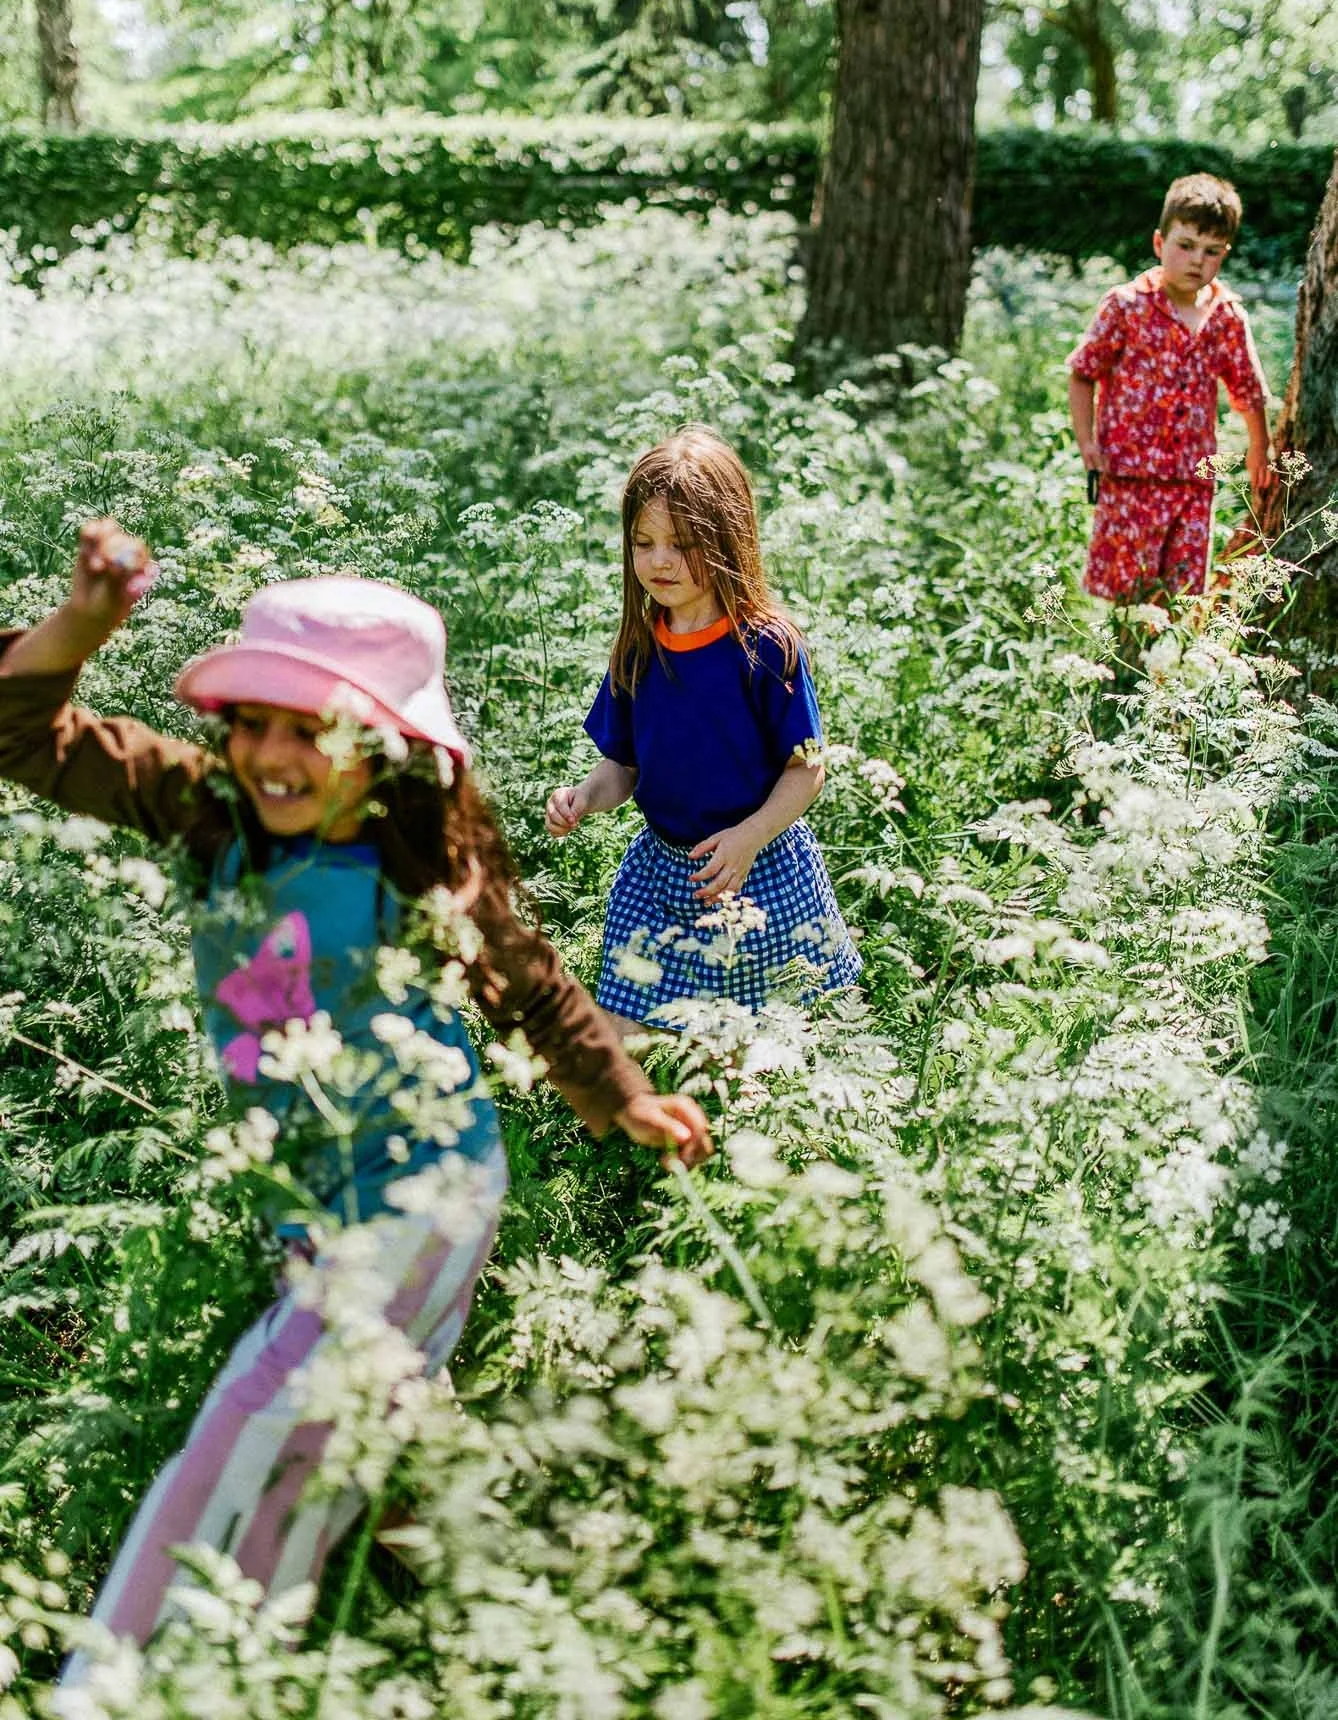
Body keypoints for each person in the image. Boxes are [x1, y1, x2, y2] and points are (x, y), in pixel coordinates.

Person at [0, 519, 711, 1685]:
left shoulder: (411, 864)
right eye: (255, 722)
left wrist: (620, 1097)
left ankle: (129, 1684)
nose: (275, 754)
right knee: (385, 1437)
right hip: (312, 1205)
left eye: (313, 729)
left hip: (420, 1203)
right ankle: (536, 1611)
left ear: (380, 750)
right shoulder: (204, 809)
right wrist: (86, 620)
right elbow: (21, 733)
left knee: (253, 1430)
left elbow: (532, 983)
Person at [544, 425, 860, 1026]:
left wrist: (751, 835)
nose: (659, 560)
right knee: (621, 1026)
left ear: (727, 542)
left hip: (760, 865)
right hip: (662, 870)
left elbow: (807, 770)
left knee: (760, 1038)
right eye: (644, 541)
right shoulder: (638, 649)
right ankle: (623, 1111)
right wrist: (584, 797)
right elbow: (623, 766)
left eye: (681, 544)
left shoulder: (767, 649)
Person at [1068, 171, 1274, 606]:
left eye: (1211, 251)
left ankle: (1167, 672)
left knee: (1179, 597)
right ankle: (1125, 670)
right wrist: (1087, 442)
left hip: (1192, 482)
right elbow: (1083, 373)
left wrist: (1261, 448)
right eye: (1186, 246)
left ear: (1224, 255)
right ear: (1160, 244)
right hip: (1129, 477)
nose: (1197, 260)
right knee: (1130, 596)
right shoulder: (1127, 305)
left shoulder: (1226, 316)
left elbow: (1249, 391)